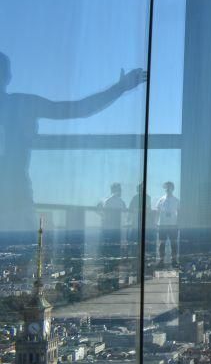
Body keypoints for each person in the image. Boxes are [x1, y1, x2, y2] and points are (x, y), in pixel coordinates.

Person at [0, 52, 147, 231]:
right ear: (8, 76)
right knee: (20, 246)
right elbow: (78, 109)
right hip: (16, 202)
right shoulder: (21, 104)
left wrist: (120, 88)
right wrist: (120, 88)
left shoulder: (20, 104)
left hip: (16, 202)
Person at [156, 181, 180, 267]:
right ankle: (161, 260)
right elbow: (157, 212)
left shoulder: (176, 200)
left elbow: (179, 213)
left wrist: (178, 224)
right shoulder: (160, 200)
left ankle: (174, 260)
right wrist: (156, 224)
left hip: (173, 225)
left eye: (169, 187)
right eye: (166, 187)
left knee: (174, 243)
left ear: (172, 188)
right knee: (161, 243)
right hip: (162, 225)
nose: (167, 189)